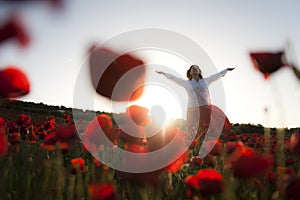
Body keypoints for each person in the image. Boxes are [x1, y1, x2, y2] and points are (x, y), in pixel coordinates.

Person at [156, 65, 234, 134]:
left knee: (204, 130)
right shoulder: (186, 83)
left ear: (199, 71)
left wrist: (226, 70)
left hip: (205, 108)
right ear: (189, 73)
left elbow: (217, 75)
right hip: (192, 109)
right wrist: (164, 73)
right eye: (192, 68)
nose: (194, 69)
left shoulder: (206, 81)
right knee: (192, 130)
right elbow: (175, 78)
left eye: (196, 68)